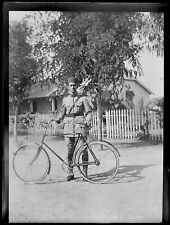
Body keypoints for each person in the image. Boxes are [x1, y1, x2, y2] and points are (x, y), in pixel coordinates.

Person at [56, 77, 92, 181]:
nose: (72, 87)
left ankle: (85, 174)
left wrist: (88, 120)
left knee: (83, 151)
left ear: (77, 86)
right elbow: (62, 114)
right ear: (68, 87)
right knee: (69, 152)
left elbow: (89, 113)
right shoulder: (65, 99)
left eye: (74, 85)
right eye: (71, 85)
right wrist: (57, 120)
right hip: (68, 129)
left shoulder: (83, 99)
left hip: (80, 127)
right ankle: (70, 172)